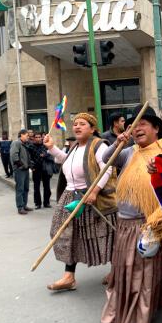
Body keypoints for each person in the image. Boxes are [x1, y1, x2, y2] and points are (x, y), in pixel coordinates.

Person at [101, 105, 162, 323]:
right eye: (133, 125)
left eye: (143, 123)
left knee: (142, 276)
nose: (137, 128)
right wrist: (118, 142)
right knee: (130, 272)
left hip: (151, 223)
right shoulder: (128, 151)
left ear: (156, 128)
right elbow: (104, 158)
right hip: (125, 225)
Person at [43, 113, 117, 291]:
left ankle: (116, 271)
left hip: (92, 198)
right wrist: (52, 147)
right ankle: (69, 277)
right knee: (66, 233)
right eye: (75, 124)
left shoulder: (98, 145)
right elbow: (66, 161)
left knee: (104, 235)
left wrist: (94, 190)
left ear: (92, 128)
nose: (77, 127)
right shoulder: (75, 146)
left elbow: (107, 168)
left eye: (82, 124)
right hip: (70, 196)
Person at [10, 129, 33, 215]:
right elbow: (14, 155)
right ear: (21, 135)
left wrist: (29, 165)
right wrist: (21, 165)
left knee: (26, 188)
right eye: (27, 135)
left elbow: (26, 156)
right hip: (19, 170)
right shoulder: (16, 143)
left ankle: (24, 205)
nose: (28, 137)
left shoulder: (24, 144)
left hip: (25, 169)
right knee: (20, 189)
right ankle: (20, 207)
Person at [30, 132, 53, 209]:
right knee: (36, 187)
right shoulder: (31, 147)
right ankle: (37, 203)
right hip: (36, 169)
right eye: (36, 137)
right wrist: (32, 166)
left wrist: (45, 155)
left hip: (45, 168)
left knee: (47, 187)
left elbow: (51, 155)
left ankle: (46, 202)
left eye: (39, 137)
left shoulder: (45, 146)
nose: (38, 139)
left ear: (41, 138)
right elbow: (29, 158)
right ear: (33, 138)